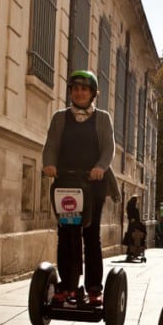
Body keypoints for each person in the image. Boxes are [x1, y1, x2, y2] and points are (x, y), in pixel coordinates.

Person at [42, 70, 119, 306]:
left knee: (90, 234)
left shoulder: (102, 118)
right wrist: (49, 164)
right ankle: (68, 286)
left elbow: (108, 148)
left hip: (93, 184)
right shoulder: (60, 117)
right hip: (66, 184)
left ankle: (94, 288)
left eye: (84, 89)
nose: (79, 92)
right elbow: (51, 145)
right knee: (66, 234)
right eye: (75, 88)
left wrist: (100, 167)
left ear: (93, 93)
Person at [123, 195, 147, 260]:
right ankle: (132, 253)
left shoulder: (130, 208)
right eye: (137, 200)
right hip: (135, 227)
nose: (138, 202)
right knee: (134, 240)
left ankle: (131, 254)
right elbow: (134, 218)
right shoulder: (134, 209)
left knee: (132, 240)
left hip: (133, 227)